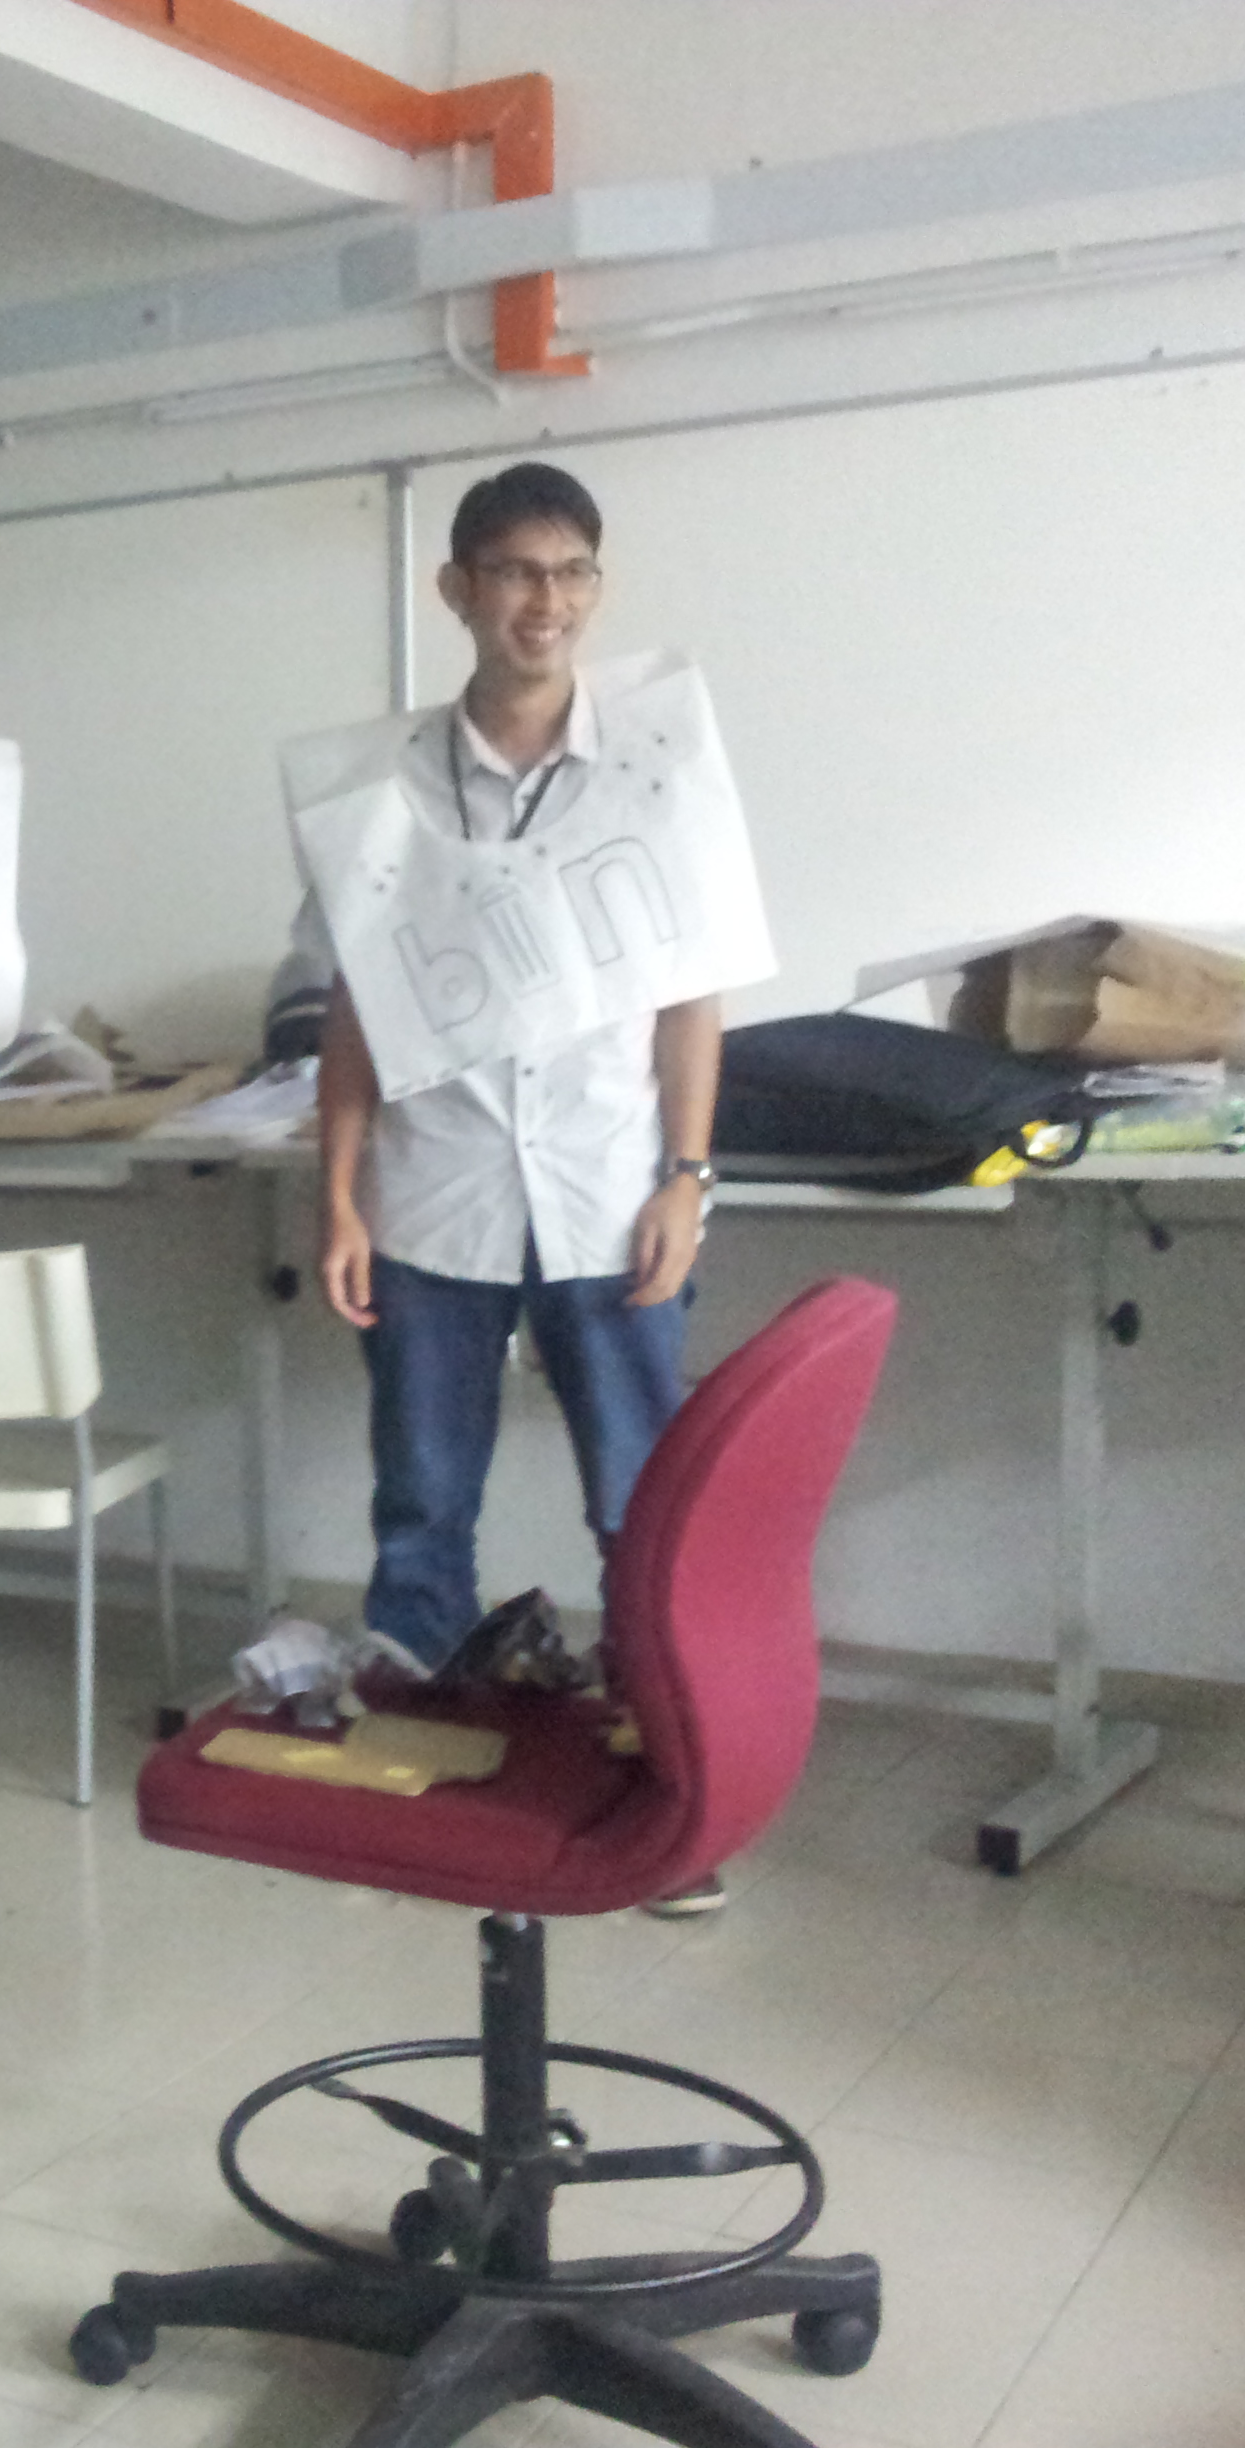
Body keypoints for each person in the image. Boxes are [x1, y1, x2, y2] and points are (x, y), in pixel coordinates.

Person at [296, 461, 732, 1913]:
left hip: (610, 1191)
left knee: (641, 1500)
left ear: (596, 589)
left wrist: (686, 1175)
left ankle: (669, 1793)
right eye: (515, 572)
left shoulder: (655, 768)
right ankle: (414, 1764)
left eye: (571, 573)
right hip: (434, 1195)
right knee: (422, 1498)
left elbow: (691, 996)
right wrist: (339, 1194)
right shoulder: (379, 794)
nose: (546, 601)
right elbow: (356, 1013)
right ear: (458, 590)